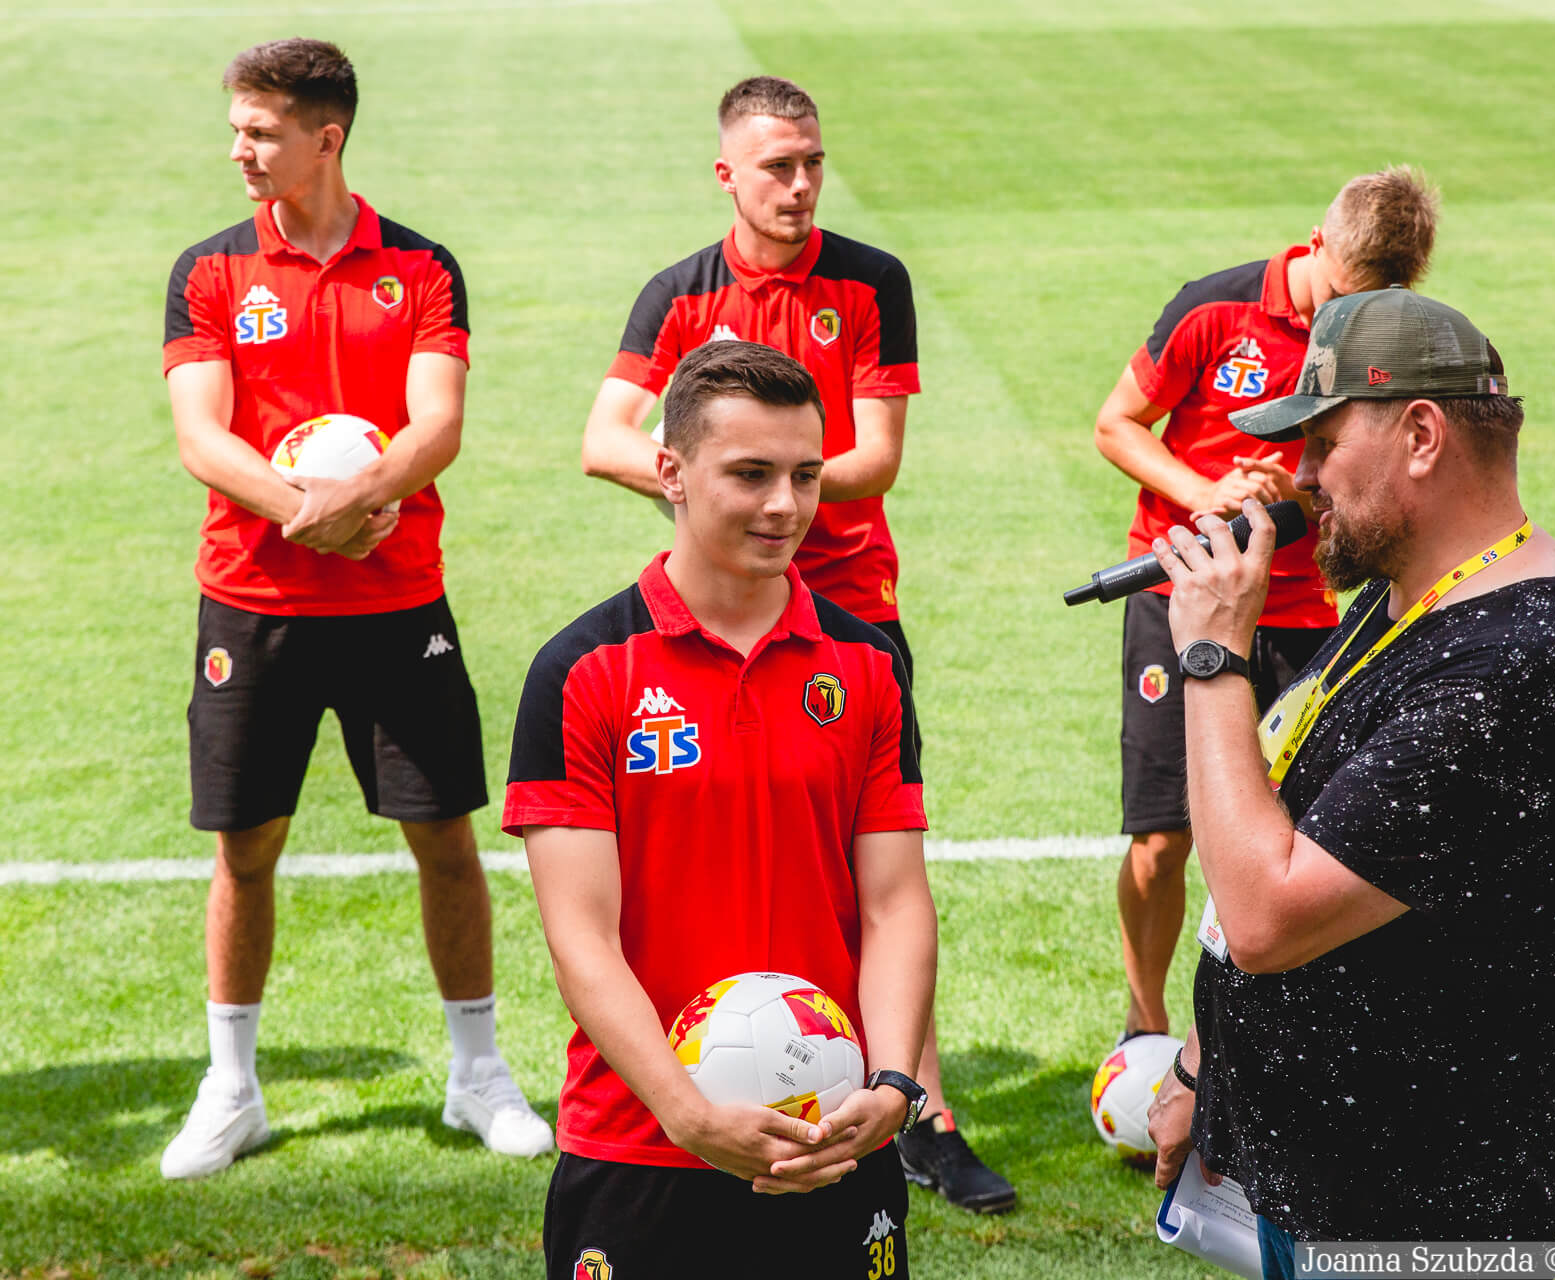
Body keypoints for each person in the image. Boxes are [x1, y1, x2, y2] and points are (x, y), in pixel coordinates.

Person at [578, 75, 1014, 1213]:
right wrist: (703, 493)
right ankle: (728, 1079)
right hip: (715, 617)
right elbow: (601, 436)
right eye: (779, 166)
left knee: (878, 871)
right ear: (728, 174)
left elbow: (876, 456)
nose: (803, 183)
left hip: (848, 617)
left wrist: (760, 489)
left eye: (814, 161)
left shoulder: (870, 280)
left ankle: (918, 1104)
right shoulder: (678, 294)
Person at [1142, 289, 1555, 1266]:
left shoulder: (1515, 670)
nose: (1299, 477)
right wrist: (1209, 1066)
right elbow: (1302, 815)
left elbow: (1267, 915)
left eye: (1323, 442)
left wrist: (1212, 658)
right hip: (1322, 1185)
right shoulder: (1411, 594)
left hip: (1421, 1216)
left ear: (1420, 435)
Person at [158, 39, 550, 1179]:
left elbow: (439, 423)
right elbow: (201, 435)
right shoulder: (209, 270)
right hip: (254, 599)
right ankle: (232, 1086)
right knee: (246, 848)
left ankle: (476, 1073)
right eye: (237, 128)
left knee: (445, 837)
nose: (240, 149)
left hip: (396, 599)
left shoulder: (421, 267)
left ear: (326, 138)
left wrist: (365, 493)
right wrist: (307, 510)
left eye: (261, 131)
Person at [507, 341, 938, 1277]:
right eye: (751, 474)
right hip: (640, 1147)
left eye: (805, 475)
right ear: (670, 471)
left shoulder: (867, 665)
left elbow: (895, 902)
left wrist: (895, 1083)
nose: (786, 505)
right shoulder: (582, 671)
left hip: (831, 1135)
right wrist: (688, 1113)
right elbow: (582, 937)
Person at [1092, 168, 1439, 1044]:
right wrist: (1201, 491)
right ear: (1316, 245)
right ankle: (1144, 1023)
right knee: (1162, 839)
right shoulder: (1214, 309)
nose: (1353, 320)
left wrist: (1306, 498)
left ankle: (1268, 1030)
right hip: (1186, 594)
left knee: (1301, 841)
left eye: (1376, 305)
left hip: (1311, 617)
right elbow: (1116, 423)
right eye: (1343, 297)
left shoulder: (1393, 339)